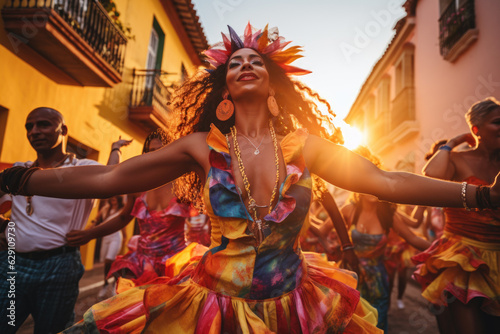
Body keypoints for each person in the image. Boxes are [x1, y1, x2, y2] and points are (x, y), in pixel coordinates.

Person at [1, 24, 499, 333]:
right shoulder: (203, 147)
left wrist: (481, 195)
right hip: (213, 307)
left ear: (272, 82)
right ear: (224, 89)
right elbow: (109, 180)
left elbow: (386, 182)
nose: (244, 65)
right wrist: (16, 181)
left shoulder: (306, 146)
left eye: (255, 61)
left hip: (294, 306)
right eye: (234, 63)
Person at [0, 107, 131, 334]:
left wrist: (115, 150)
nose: (34, 131)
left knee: (52, 330)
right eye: (29, 127)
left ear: (64, 130)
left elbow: (112, 176)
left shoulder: (81, 168)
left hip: (59, 266)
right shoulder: (19, 170)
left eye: (43, 124)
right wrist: (2, 226)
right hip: (12, 264)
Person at [66, 129, 202, 290]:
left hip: (175, 264)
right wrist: (90, 234)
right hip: (142, 264)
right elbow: (122, 215)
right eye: (150, 151)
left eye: (160, 151)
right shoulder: (138, 185)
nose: (155, 156)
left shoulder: (184, 187)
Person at [412, 97, 500, 334]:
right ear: (476, 129)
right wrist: (454, 141)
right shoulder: (458, 159)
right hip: (463, 258)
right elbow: (431, 175)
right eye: (497, 122)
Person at [340, 147, 431, 331]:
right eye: (365, 180)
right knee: (352, 327)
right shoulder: (349, 211)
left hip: (378, 282)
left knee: (377, 326)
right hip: (351, 280)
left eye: (374, 180)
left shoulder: (388, 214)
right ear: (357, 184)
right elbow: (322, 230)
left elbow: (414, 238)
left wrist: (442, 249)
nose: (371, 186)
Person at [90, 195, 126, 298]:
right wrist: (90, 228)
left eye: (116, 197)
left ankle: (114, 283)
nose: (113, 198)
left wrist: (125, 238)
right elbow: (96, 220)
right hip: (106, 237)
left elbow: (122, 224)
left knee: (109, 260)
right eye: (112, 197)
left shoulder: (122, 210)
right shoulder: (105, 208)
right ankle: (106, 282)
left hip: (116, 237)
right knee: (107, 263)